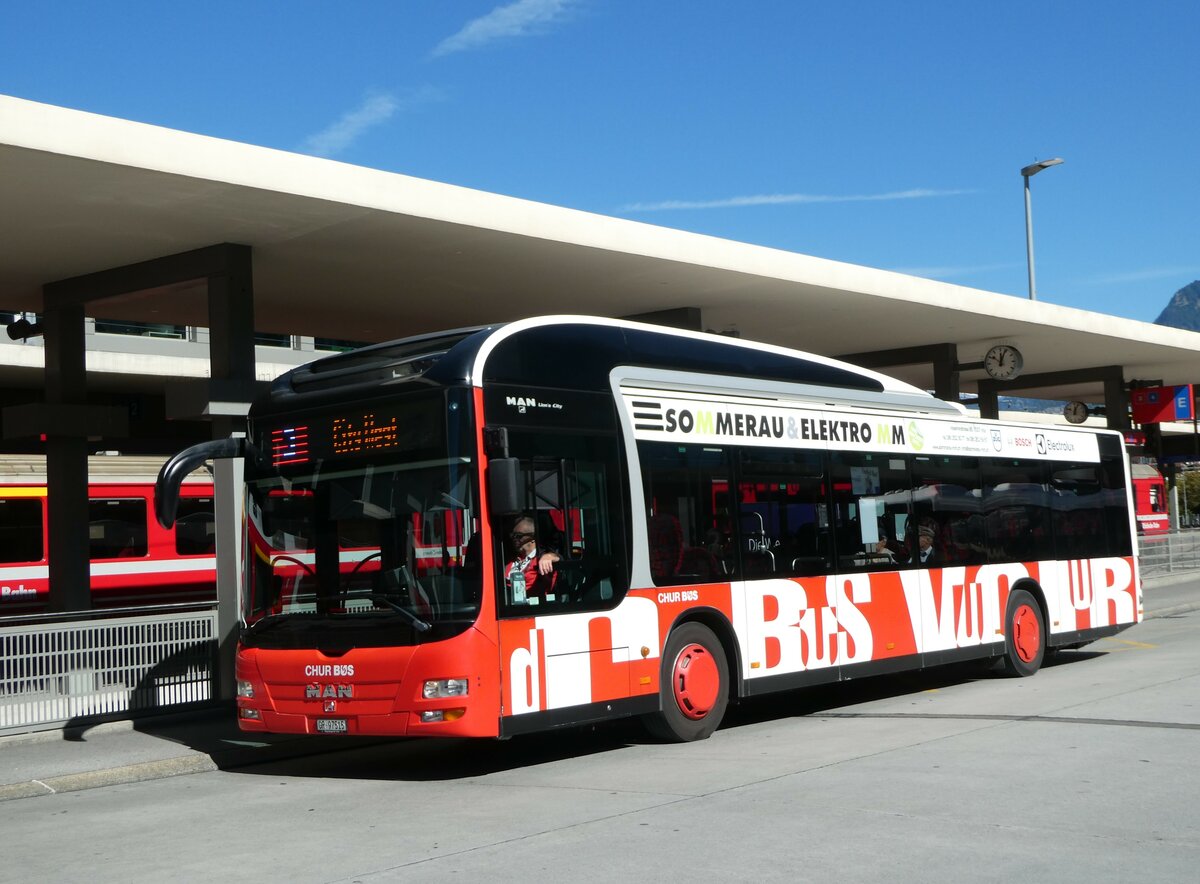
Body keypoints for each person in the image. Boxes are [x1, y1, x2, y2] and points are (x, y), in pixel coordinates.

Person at [505, 514, 560, 603]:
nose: (514, 539)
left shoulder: (540, 559)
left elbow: (559, 559)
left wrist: (550, 557)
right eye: (512, 535)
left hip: (532, 608)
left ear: (533, 538)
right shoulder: (512, 560)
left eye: (518, 536)